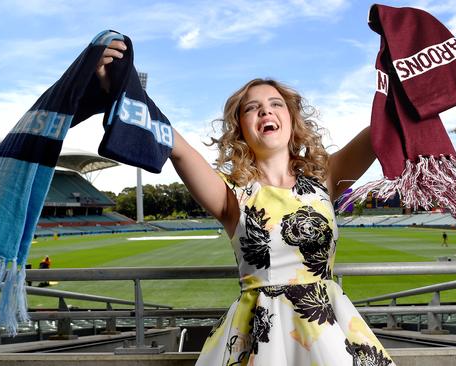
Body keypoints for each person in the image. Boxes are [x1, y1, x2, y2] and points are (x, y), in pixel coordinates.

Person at [97, 41, 395, 366]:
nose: (266, 110)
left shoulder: (327, 177)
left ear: (292, 119)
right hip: (258, 336)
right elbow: (174, 144)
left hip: (330, 333)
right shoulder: (230, 194)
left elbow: (385, 123)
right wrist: (118, 84)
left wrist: (397, 49)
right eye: (252, 107)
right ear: (241, 127)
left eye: (276, 104)